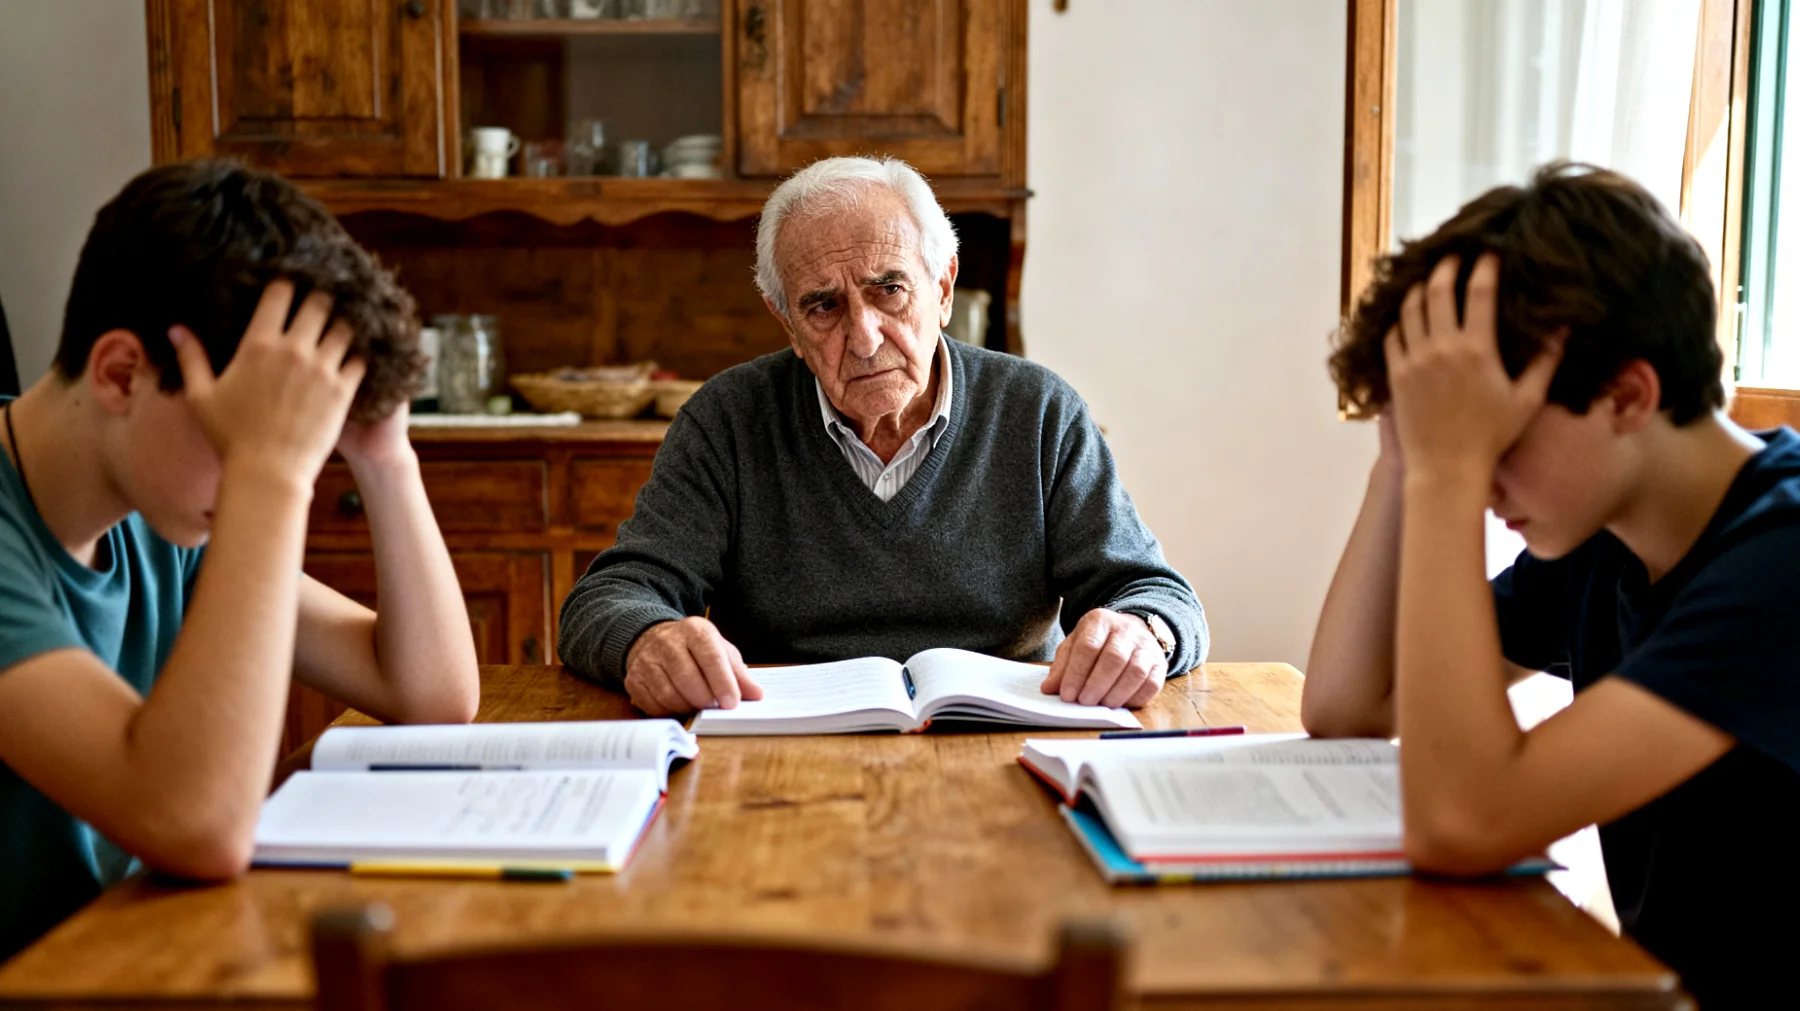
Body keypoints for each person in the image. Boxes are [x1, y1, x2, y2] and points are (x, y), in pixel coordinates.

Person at [1303, 161, 1799, 1006]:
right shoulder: (1606, 539)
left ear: (1627, 396)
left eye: (1498, 437)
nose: (1483, 483)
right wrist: (1404, 462)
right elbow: (1348, 702)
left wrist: (1449, 470)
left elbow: (1463, 821)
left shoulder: (1782, 561)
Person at [0, 160, 480, 959]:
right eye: (236, 430)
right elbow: (199, 825)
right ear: (121, 374)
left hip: (123, 957)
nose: (279, 459)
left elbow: (431, 693)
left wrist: (384, 457)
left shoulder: (155, 513)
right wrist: (266, 471)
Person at [559, 156, 1205, 716]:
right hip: (783, 748)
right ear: (787, 323)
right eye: (823, 305)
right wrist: (646, 639)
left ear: (943, 288)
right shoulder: (726, 419)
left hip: (1002, 740)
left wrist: (1142, 633)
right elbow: (608, 597)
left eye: (889, 289)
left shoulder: (1037, 411)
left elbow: (1160, 595)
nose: (864, 339)